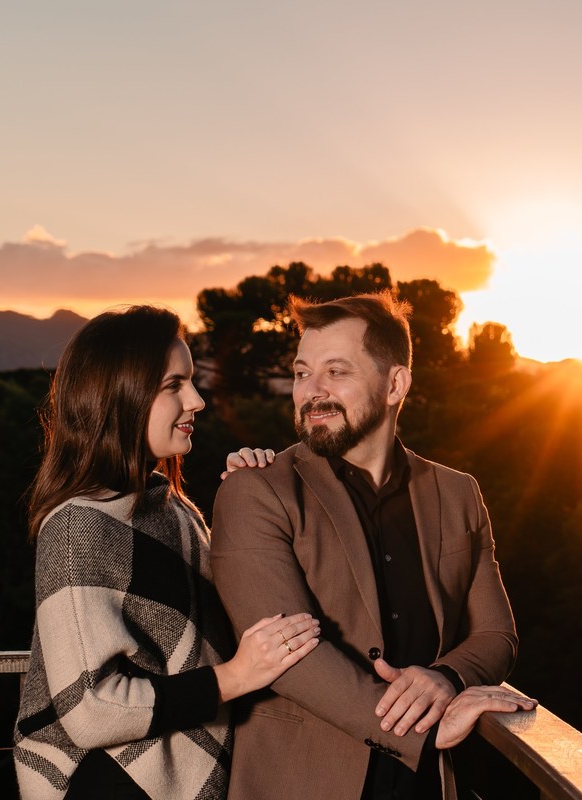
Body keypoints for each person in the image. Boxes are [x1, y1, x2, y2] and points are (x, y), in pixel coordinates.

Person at [211, 291, 534, 800]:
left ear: (395, 383)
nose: (312, 391)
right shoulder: (255, 490)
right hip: (303, 784)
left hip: (429, 787)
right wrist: (424, 732)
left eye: (336, 371)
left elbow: (496, 633)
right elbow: (288, 657)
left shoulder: (458, 493)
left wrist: (448, 677)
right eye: (301, 373)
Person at [13, 305, 321, 800]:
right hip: (110, 783)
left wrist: (256, 498)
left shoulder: (169, 506)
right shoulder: (77, 526)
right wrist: (234, 677)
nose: (197, 400)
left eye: (191, 382)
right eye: (174, 385)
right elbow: (88, 711)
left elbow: (233, 613)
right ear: (121, 395)